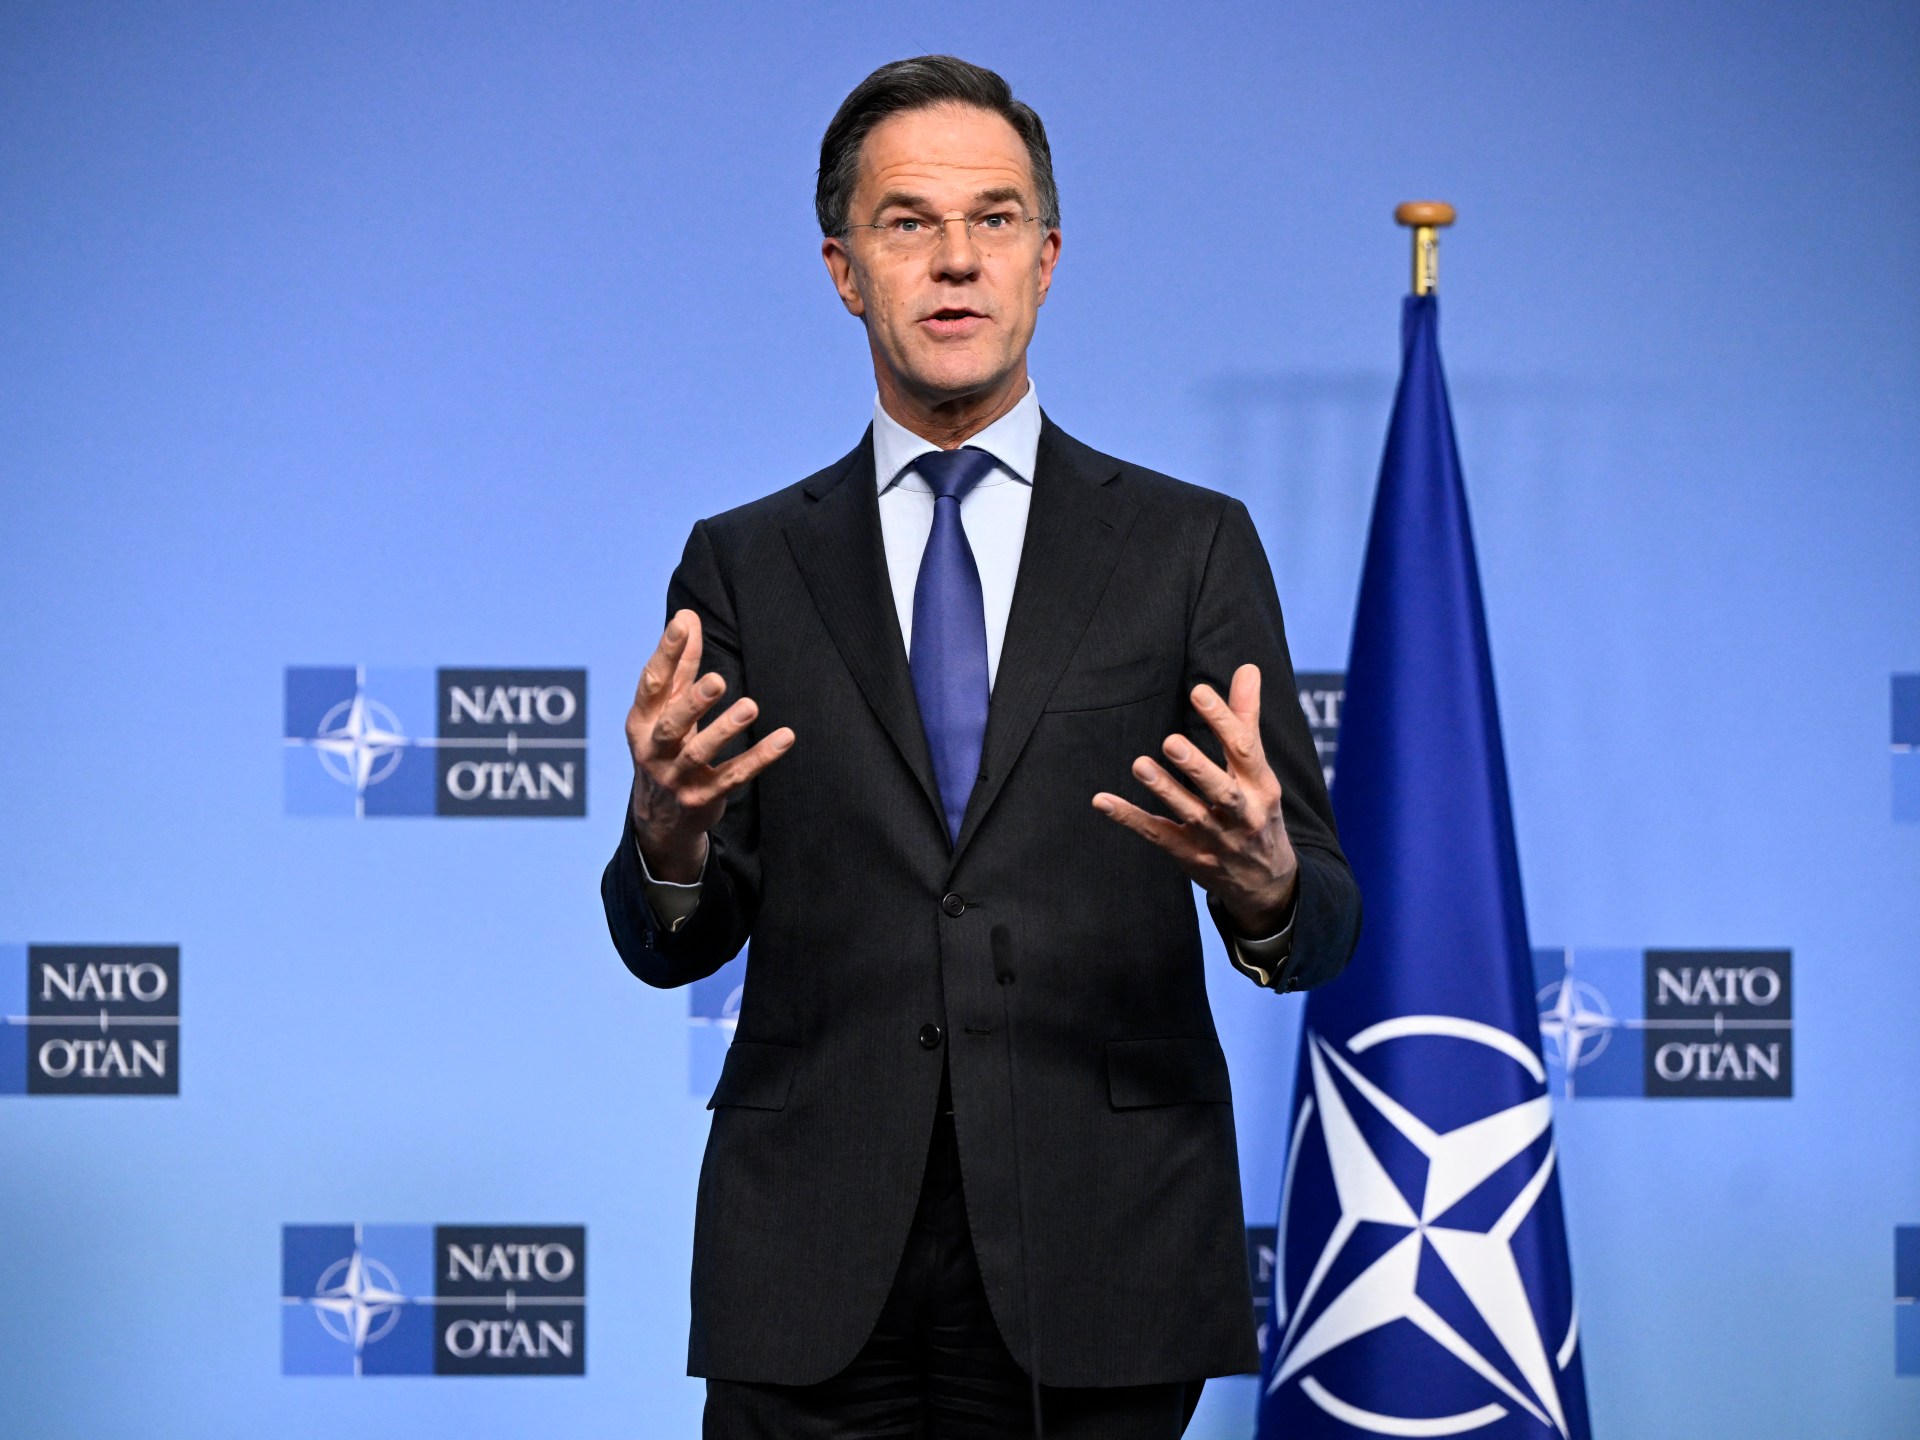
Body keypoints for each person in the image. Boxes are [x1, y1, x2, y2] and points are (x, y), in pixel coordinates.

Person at [602, 55, 1362, 1439]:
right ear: (844, 270)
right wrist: (665, 835)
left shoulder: (1187, 548)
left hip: (1104, 1242)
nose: (956, 259)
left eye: (995, 219)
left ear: (1047, 260)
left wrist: (1263, 883)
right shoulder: (745, 564)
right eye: (909, 222)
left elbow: (1319, 924)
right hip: (810, 1249)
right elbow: (674, 943)